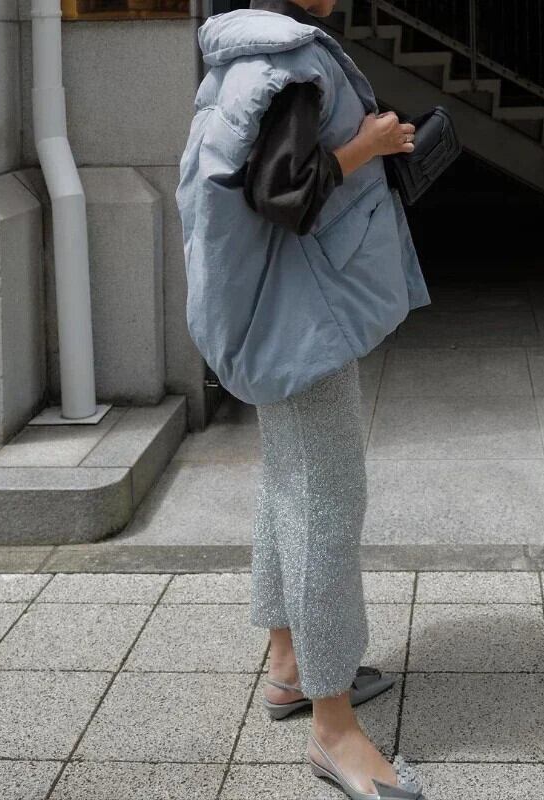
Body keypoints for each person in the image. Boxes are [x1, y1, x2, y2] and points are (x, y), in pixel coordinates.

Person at [175, 1, 432, 797]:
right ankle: (333, 729)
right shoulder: (288, 66)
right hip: (303, 316)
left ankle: (290, 666)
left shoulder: (239, 53)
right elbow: (286, 194)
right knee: (326, 500)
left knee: (288, 484)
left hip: (273, 309)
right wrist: (371, 144)